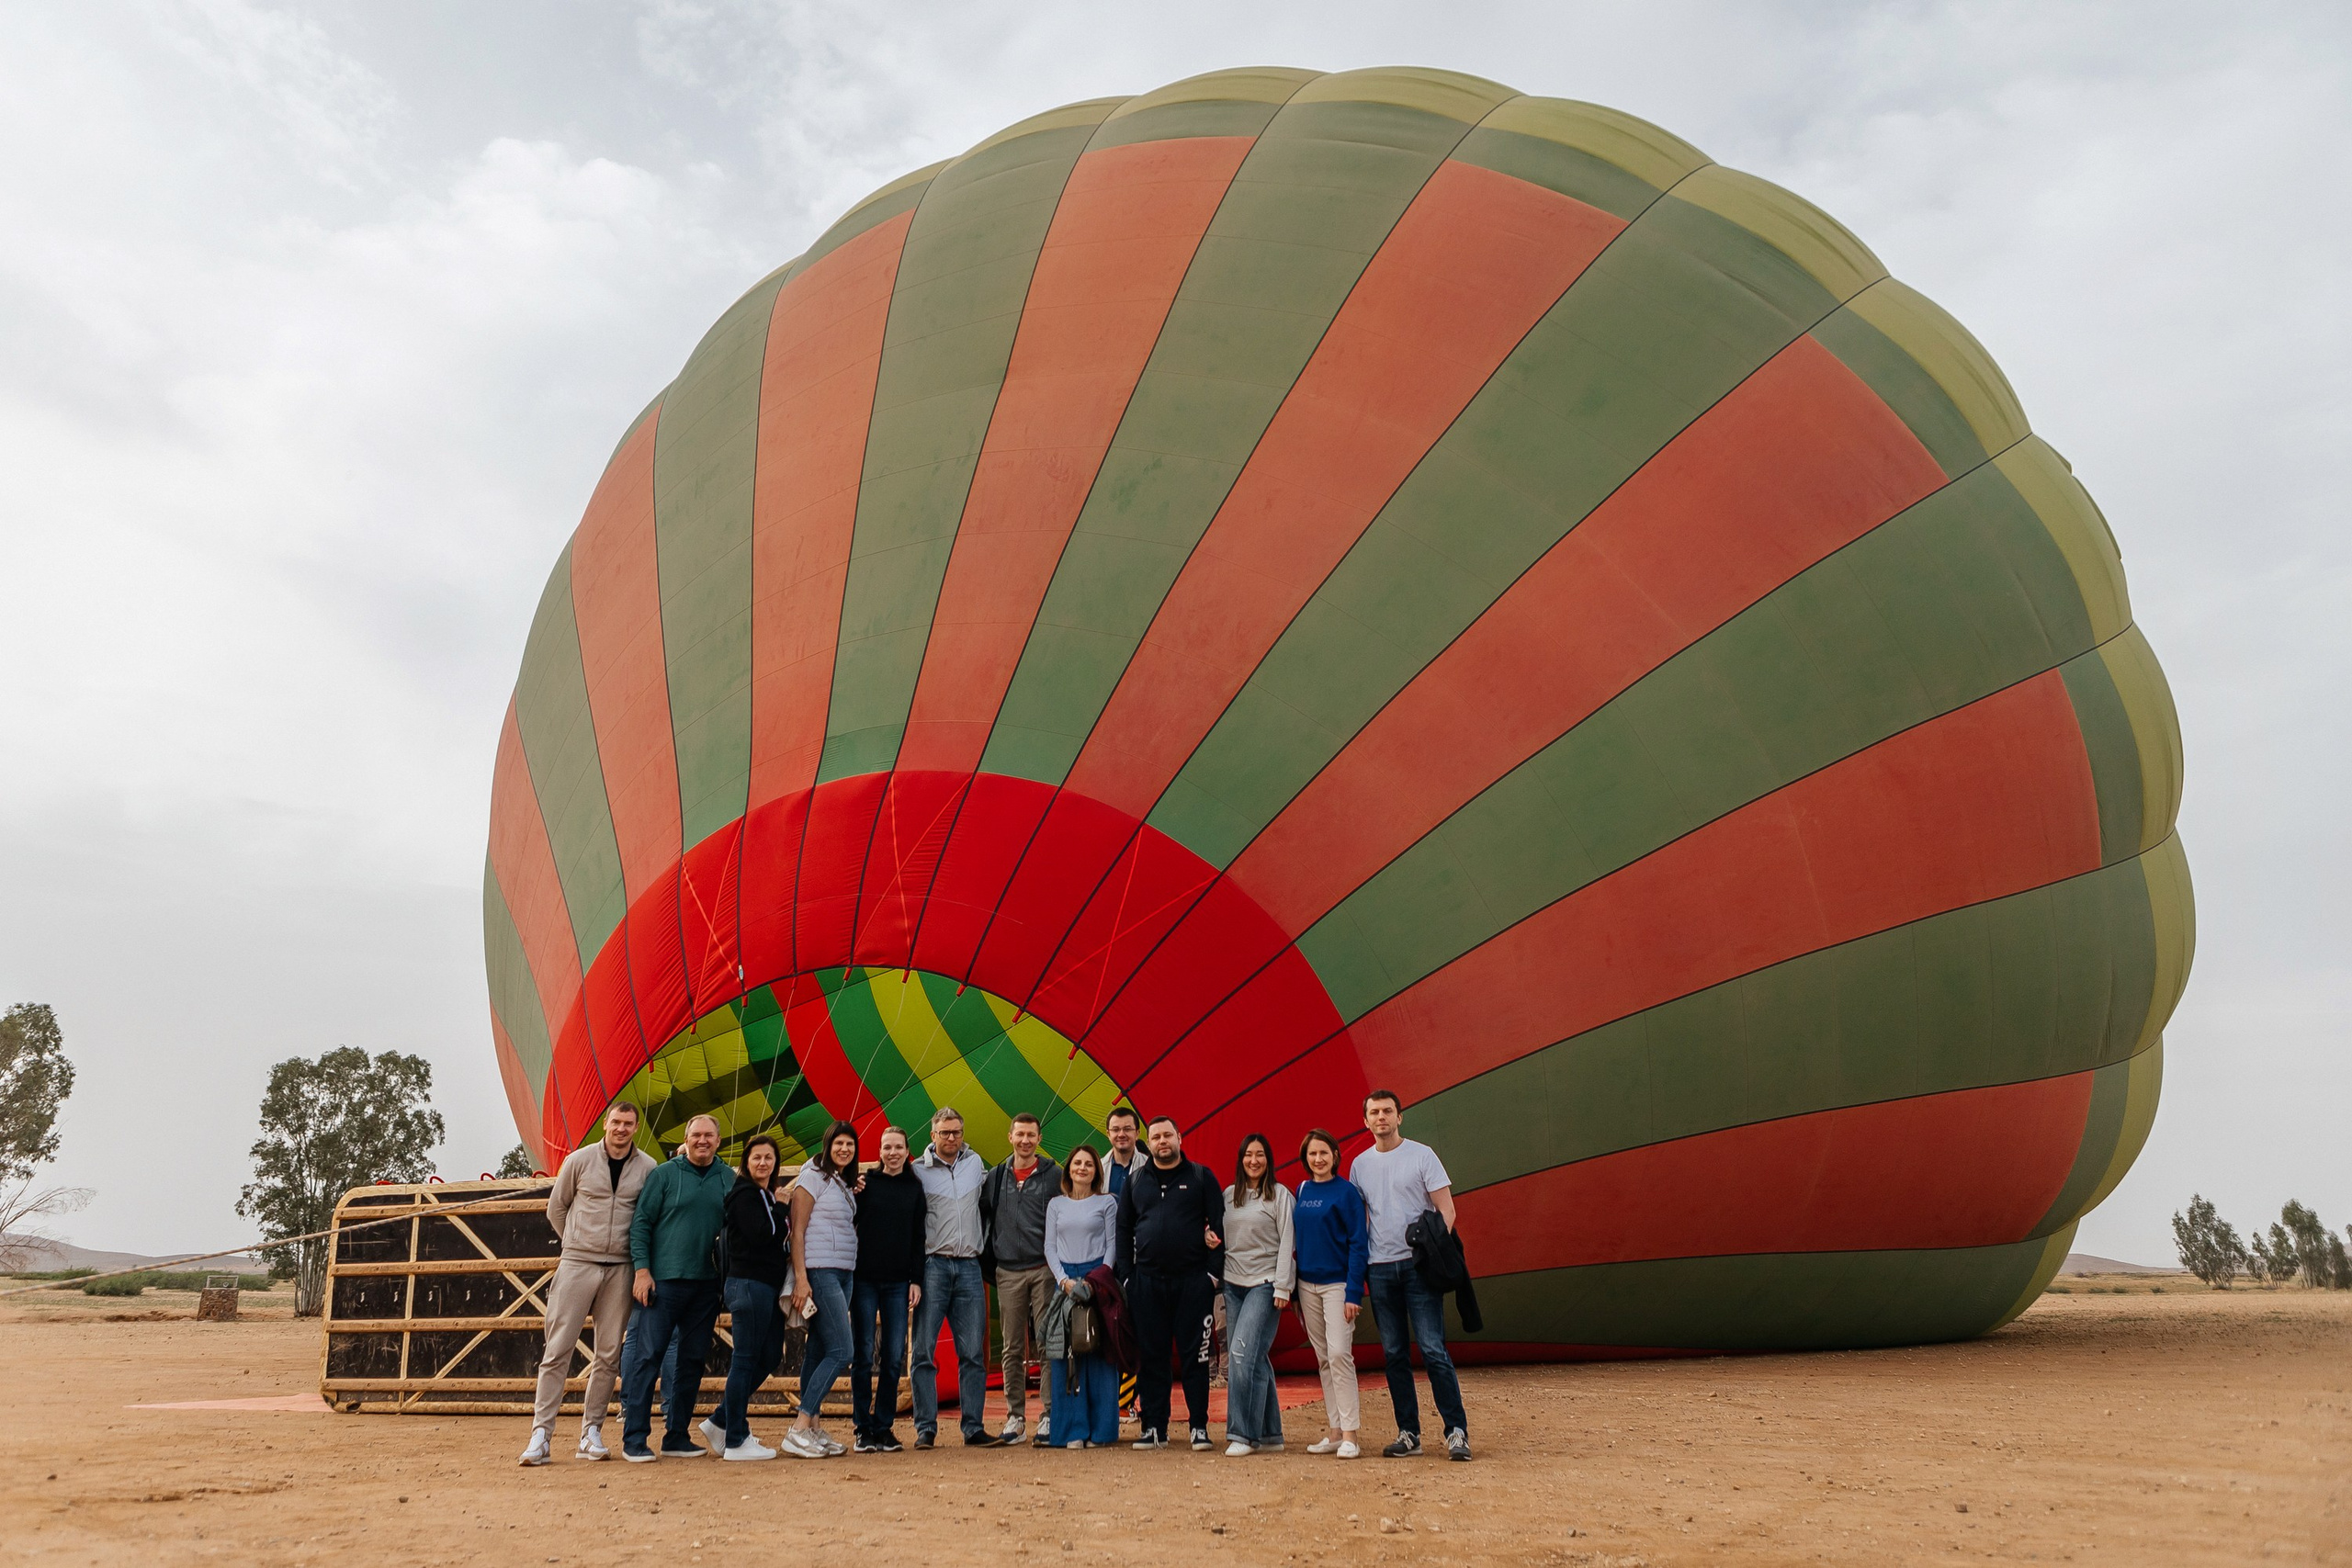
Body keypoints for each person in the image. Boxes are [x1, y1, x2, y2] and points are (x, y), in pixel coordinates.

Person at [520, 1101, 655, 1466]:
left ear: (636, 1128)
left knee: (609, 1353)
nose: (621, 1129)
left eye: (628, 1124)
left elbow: (646, 1217)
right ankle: (541, 1435)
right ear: (605, 1125)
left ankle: (590, 1431)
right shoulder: (578, 1161)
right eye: (616, 1122)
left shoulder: (647, 1168)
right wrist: (576, 1244)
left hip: (621, 1268)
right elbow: (556, 1208)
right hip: (578, 1262)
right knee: (558, 1348)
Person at [1351, 1089, 1467, 1461]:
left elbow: (1447, 1211)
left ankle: (1456, 1431)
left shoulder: (1421, 1155)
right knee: (1394, 1353)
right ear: (1365, 1120)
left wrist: (1431, 1253)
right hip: (1380, 1267)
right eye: (1374, 1112)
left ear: (1399, 1117)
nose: (1381, 1117)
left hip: (1418, 1268)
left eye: (1387, 1111)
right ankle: (1409, 1433)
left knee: (1433, 1349)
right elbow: (1358, 1221)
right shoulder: (1359, 1165)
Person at [618, 1113, 732, 1461]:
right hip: (663, 1282)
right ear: (686, 1138)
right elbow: (641, 1225)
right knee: (648, 1358)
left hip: (706, 1285)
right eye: (696, 1135)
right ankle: (634, 1438)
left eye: (709, 1136)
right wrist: (642, 1271)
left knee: (692, 1361)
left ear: (718, 1140)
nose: (703, 1141)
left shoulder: (728, 1178)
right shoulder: (664, 1175)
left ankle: (677, 1435)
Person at [1114, 1114, 1223, 1451]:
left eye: (1167, 1136)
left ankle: (1199, 1427)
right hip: (1146, 1283)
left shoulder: (1202, 1177)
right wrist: (1128, 1277)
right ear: (1149, 1142)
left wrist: (1212, 1276)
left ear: (1180, 1137)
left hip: (1193, 1282)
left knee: (1196, 1357)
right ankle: (1154, 1427)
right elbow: (1123, 1230)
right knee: (1153, 1356)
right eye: (1156, 1137)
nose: (1162, 1142)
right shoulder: (1134, 1181)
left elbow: (1220, 1226)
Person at [910, 1106, 998, 1449]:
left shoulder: (976, 1165)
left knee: (973, 1352)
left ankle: (973, 1427)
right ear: (932, 1135)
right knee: (923, 1350)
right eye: (945, 1132)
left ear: (963, 1134)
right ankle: (925, 1428)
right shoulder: (917, 1171)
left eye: (956, 1132)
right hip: (933, 1265)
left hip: (969, 1266)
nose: (951, 1138)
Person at [698, 1134, 788, 1461]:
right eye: (757, 1158)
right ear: (746, 1163)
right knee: (747, 1359)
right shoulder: (744, 1195)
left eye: (769, 1157)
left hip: (766, 1286)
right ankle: (736, 1439)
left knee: (768, 1357)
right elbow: (763, 1236)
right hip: (749, 1284)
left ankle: (721, 1420)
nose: (763, 1163)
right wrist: (781, 1207)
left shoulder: (763, 1195)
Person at [982, 1111, 1062, 1444]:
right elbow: (983, 1216)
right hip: (1008, 1271)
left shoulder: (1054, 1174)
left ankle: (1048, 1415)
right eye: (1020, 1135)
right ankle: (1015, 1417)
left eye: (1032, 1135)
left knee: (1047, 1344)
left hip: (1043, 1269)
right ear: (1010, 1137)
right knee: (1012, 1347)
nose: (1026, 1141)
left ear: (1039, 1139)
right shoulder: (995, 1176)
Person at [782, 1120, 860, 1459]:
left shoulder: (841, 1182)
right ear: (827, 1145)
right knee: (843, 1351)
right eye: (839, 1143)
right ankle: (798, 1427)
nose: (844, 1149)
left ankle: (813, 1427)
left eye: (850, 1145)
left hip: (844, 1272)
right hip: (820, 1270)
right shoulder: (811, 1175)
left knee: (819, 1349)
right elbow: (797, 1231)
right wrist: (802, 1278)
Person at [1292, 1127, 1368, 1459]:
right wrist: (1294, 1290)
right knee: (1323, 1358)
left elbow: (1358, 1243)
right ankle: (1335, 1431)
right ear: (1305, 1158)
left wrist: (1354, 1292)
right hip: (1306, 1285)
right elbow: (1296, 1243)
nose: (1318, 1159)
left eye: (1324, 1153)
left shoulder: (1347, 1193)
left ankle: (1351, 1433)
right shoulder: (1303, 1188)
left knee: (1340, 1354)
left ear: (1335, 1156)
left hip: (1338, 1285)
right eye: (1312, 1154)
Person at [1219, 1132, 1295, 1456]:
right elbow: (1222, 1236)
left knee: (1239, 1355)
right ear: (1241, 1159)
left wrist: (1282, 1286)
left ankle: (1241, 1434)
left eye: (1260, 1154)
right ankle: (1270, 1434)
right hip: (1232, 1283)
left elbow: (1287, 1243)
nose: (1254, 1160)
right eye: (1248, 1154)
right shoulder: (1228, 1196)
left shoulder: (1279, 1195)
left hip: (1264, 1284)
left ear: (1268, 1160)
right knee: (1255, 1359)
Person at [851, 1125, 925, 1452]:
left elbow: (918, 1239)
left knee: (894, 1357)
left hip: (898, 1282)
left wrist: (916, 1280)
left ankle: (883, 1426)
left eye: (898, 1147)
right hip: (864, 1279)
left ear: (907, 1151)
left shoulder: (914, 1189)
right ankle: (861, 1428)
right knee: (863, 1356)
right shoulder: (865, 1184)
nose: (892, 1153)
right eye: (886, 1147)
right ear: (879, 1152)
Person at [1041, 1145, 1120, 1448]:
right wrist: (1063, 1281)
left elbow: (1112, 1244)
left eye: (1088, 1164)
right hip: (1065, 1281)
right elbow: (1050, 1246)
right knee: (1066, 1354)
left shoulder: (1107, 1202)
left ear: (1096, 1171)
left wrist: (1099, 1278)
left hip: (1097, 1277)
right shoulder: (1056, 1205)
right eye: (1077, 1163)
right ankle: (1072, 1430)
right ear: (1069, 1169)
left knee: (1100, 1351)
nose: (1082, 1168)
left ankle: (1101, 1431)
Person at [1101, 1105, 1147, 1419]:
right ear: (1108, 1133)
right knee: (1107, 1329)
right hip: (1105, 1260)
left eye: (1127, 1129)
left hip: (1141, 1258)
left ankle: (1133, 1399)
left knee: (1138, 1328)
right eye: (1116, 1129)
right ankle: (1110, 1401)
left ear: (1137, 1133)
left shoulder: (1151, 1166)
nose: (1121, 1134)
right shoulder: (1096, 1166)